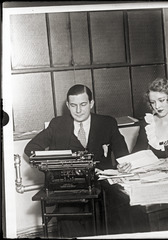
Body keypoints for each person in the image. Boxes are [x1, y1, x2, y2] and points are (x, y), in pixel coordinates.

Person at [24, 84, 130, 237]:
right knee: (68, 215)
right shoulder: (58, 124)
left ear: (91, 104)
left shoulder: (107, 123)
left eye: (83, 104)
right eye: (73, 105)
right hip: (70, 186)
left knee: (116, 209)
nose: (78, 110)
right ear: (68, 105)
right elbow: (31, 149)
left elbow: (123, 156)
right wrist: (51, 168)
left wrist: (124, 164)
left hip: (103, 186)